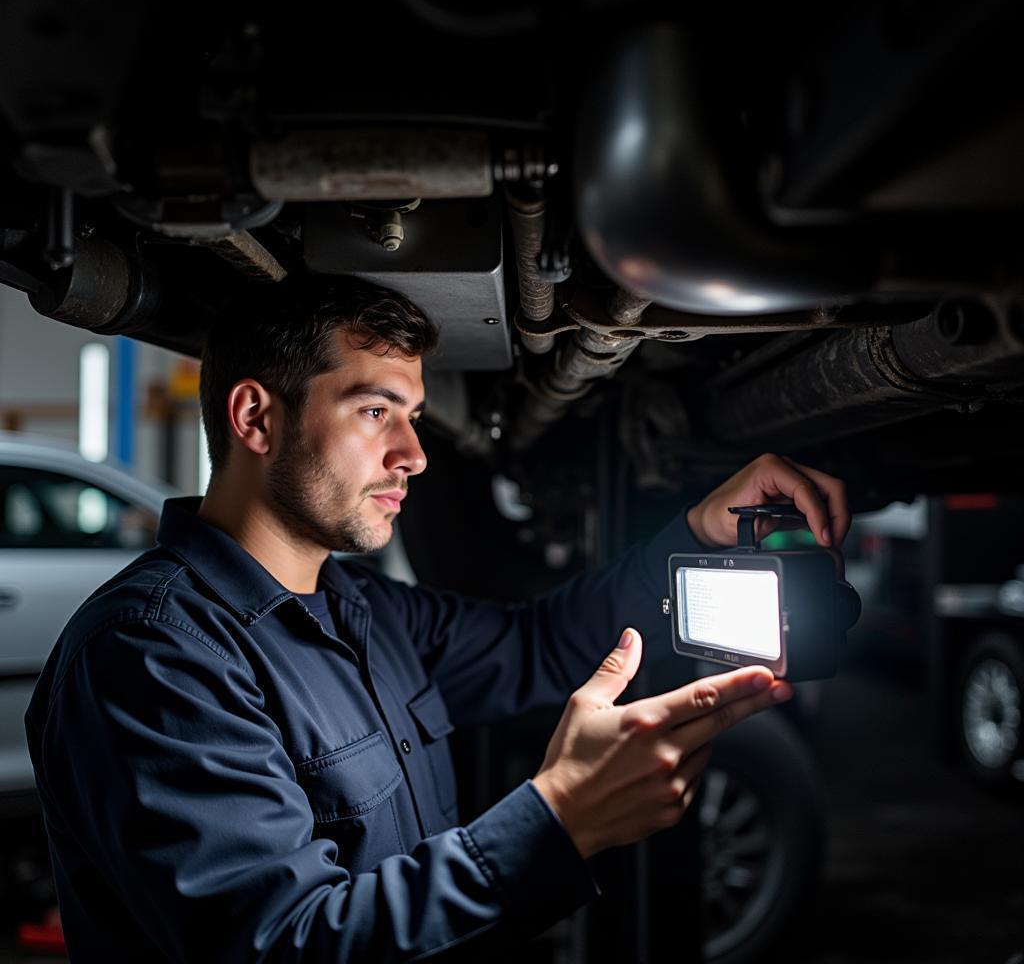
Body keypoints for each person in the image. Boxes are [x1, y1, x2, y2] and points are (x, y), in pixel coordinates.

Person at [25, 278, 850, 961]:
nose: (414, 455)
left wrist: (695, 530)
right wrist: (558, 821)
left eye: (414, 417)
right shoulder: (150, 653)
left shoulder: (365, 609)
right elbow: (282, 945)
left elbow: (539, 644)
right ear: (255, 419)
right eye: (376, 411)